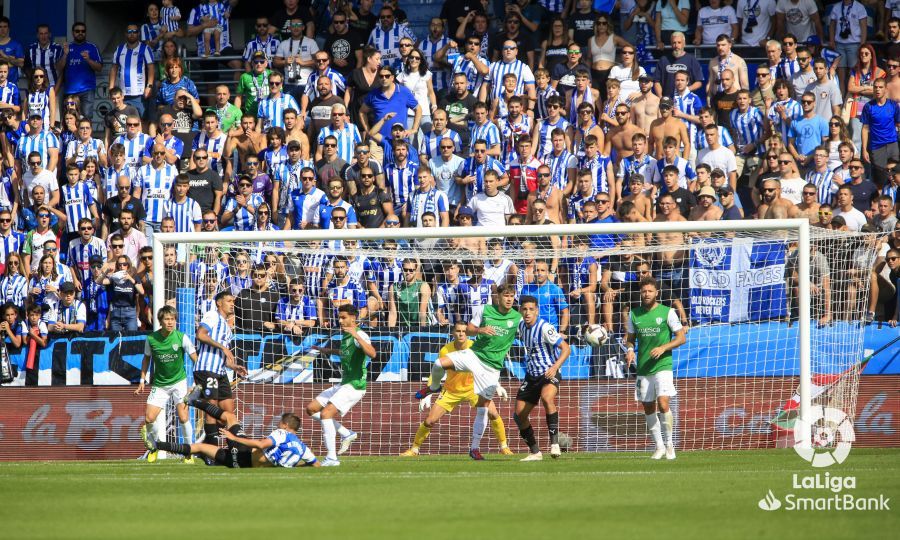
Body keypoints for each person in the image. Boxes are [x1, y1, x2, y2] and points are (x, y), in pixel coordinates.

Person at [416, 283, 521, 460]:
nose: (509, 299)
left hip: (491, 369)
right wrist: (481, 330)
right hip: (475, 355)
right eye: (506, 295)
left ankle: (474, 448)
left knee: (484, 410)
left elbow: (530, 327)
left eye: (512, 296)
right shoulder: (485, 310)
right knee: (439, 363)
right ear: (498, 296)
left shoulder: (517, 318)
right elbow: (470, 328)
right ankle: (434, 387)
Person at [402, 320, 513, 457]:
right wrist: (429, 392)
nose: (461, 334)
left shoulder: (475, 347)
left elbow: (487, 367)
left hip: (474, 388)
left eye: (464, 331)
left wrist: (497, 385)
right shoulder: (445, 350)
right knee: (430, 420)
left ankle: (504, 446)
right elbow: (437, 370)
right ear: (453, 333)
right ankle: (414, 449)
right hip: (451, 390)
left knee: (493, 413)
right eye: (458, 331)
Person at [148, 400, 319, 468]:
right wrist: (294, 467)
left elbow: (260, 445)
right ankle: (157, 445)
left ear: (285, 424)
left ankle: (193, 401)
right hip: (241, 465)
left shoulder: (282, 433)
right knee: (199, 447)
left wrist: (234, 438)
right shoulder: (303, 448)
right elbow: (316, 465)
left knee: (230, 417)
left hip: (243, 451)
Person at [303, 303, 374, 466]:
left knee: (326, 414)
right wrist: (326, 351)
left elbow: (372, 353)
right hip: (345, 383)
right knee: (312, 409)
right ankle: (345, 433)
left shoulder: (359, 334)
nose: (340, 321)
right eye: (339, 318)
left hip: (355, 385)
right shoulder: (345, 336)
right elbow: (345, 353)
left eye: (343, 318)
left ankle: (332, 458)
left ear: (353, 318)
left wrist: (357, 336)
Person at [624, 276, 686, 460]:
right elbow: (630, 339)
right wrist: (629, 350)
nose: (646, 294)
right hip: (643, 367)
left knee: (663, 402)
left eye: (650, 291)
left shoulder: (668, 312)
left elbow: (681, 337)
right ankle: (658, 446)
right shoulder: (634, 315)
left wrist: (663, 348)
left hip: (663, 365)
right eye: (644, 291)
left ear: (656, 293)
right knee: (648, 407)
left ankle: (669, 444)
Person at [135, 305, 197, 463]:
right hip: (160, 384)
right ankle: (154, 446)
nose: (170, 322)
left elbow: (196, 359)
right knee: (149, 418)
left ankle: (189, 452)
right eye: (167, 319)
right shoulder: (151, 339)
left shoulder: (182, 337)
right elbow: (146, 359)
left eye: (173, 319)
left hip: (179, 382)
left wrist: (195, 382)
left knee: (183, 417)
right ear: (160, 321)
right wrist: (142, 380)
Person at [514, 295, 571, 461]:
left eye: (531, 309)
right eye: (524, 309)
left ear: (537, 311)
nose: (527, 313)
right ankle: (535, 452)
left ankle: (554, 444)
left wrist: (555, 367)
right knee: (519, 416)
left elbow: (566, 349)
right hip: (531, 376)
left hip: (549, 373)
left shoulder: (545, 328)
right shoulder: (521, 326)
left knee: (547, 398)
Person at [193, 290, 248, 447]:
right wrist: (223, 348)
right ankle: (211, 451)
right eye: (229, 301)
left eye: (233, 301)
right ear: (219, 303)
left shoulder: (227, 327)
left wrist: (234, 366)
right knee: (211, 409)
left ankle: (231, 448)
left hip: (221, 371)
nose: (232, 304)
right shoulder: (212, 316)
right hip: (206, 369)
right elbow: (201, 335)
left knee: (228, 412)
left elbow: (222, 356)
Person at [861, 79, 900, 188]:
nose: (878, 89)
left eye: (880, 87)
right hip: (877, 146)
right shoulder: (868, 106)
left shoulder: (893, 105)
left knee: (896, 175)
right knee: (881, 180)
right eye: (875, 87)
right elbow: (865, 128)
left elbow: (898, 124)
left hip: (892, 143)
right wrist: (864, 149)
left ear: (886, 89)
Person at [60, 22, 102, 119]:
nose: (80, 33)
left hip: (87, 90)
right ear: (73, 32)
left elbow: (99, 68)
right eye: (77, 31)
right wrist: (65, 54)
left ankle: (86, 135)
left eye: (83, 31)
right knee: (70, 117)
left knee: (86, 117)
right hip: (70, 90)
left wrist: (88, 59)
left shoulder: (92, 47)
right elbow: (59, 68)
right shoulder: (67, 47)